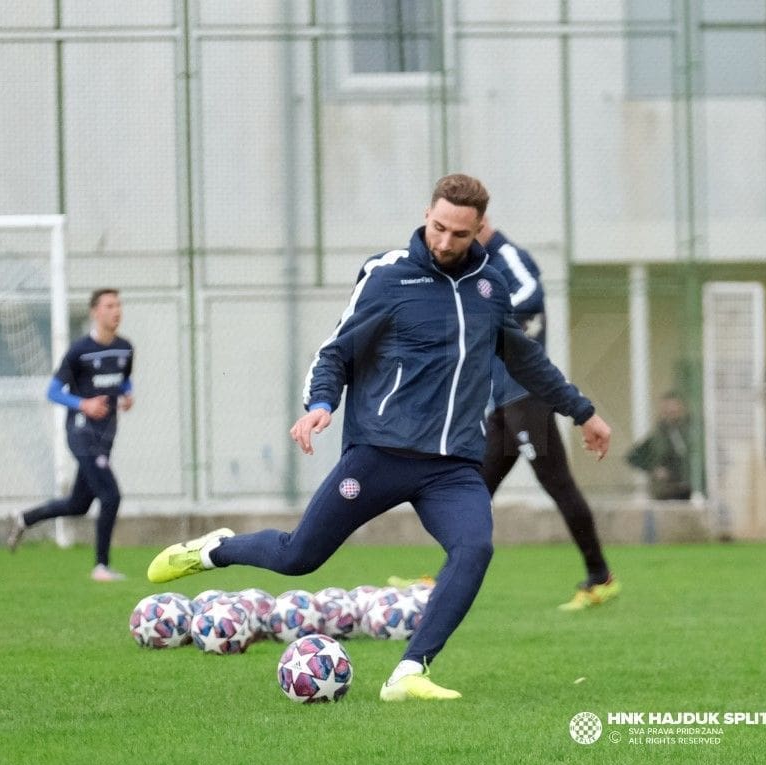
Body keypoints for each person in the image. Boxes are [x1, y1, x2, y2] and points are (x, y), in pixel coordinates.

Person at [147, 174, 612, 701]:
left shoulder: (490, 287)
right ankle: (216, 549)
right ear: (427, 214)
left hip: (453, 465)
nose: (444, 242)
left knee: (474, 548)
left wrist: (582, 412)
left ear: (479, 229)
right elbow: (336, 352)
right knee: (299, 557)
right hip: (380, 453)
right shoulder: (387, 275)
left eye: (459, 234)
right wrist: (320, 405)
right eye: (438, 227)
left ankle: (409, 672)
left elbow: (524, 359)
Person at [475, 218, 619, 611]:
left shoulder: (508, 256)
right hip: (503, 402)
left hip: (528, 398)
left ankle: (600, 577)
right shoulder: (480, 265)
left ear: (481, 222)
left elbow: (530, 293)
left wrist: (490, 311)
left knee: (559, 485)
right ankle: (442, 581)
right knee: (473, 491)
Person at [7, 289, 134, 582]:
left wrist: (128, 396)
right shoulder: (80, 351)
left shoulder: (125, 348)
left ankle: (24, 518)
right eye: (109, 305)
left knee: (79, 504)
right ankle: (101, 567)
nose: (116, 311)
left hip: (105, 436)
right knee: (111, 496)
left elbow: (124, 380)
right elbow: (53, 392)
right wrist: (84, 404)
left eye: (118, 305)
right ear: (95, 312)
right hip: (81, 433)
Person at [626, 391, 693, 500]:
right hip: (667, 490)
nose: (671, 412)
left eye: (674, 408)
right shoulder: (658, 436)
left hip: (691, 488)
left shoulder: (692, 430)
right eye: (667, 409)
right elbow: (633, 456)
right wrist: (654, 469)